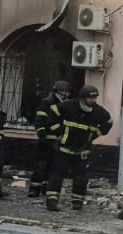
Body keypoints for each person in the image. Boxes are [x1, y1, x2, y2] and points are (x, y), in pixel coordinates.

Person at [46, 84, 113, 212]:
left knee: (80, 177)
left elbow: (109, 123)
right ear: (82, 97)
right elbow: (52, 115)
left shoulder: (99, 112)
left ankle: (77, 202)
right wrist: (58, 132)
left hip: (83, 150)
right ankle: (52, 201)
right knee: (57, 174)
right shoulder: (68, 106)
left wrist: (95, 135)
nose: (93, 101)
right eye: (90, 98)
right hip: (64, 148)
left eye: (95, 98)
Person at [30, 79, 73, 202]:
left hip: (59, 140)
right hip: (47, 139)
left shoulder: (66, 104)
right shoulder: (47, 103)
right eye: (64, 92)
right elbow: (41, 120)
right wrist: (42, 134)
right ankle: (34, 189)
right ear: (58, 92)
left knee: (54, 167)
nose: (66, 94)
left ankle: (46, 187)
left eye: (67, 92)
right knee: (42, 165)